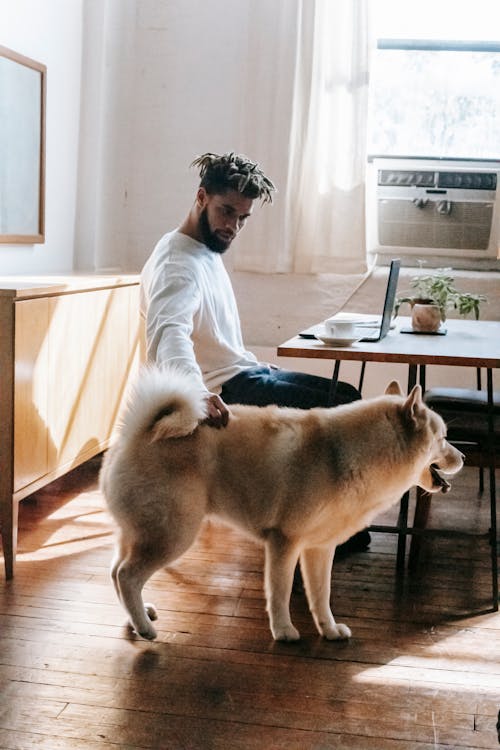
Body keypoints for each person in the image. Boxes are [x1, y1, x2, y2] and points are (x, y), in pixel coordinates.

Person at [140, 151, 370, 556]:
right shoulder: (178, 264)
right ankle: (325, 536)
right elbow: (167, 331)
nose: (233, 226)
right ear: (201, 198)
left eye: (242, 218)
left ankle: (330, 529)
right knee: (344, 409)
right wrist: (194, 394)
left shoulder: (201, 250)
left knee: (348, 397)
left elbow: (208, 336)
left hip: (244, 371)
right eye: (226, 212)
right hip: (224, 392)